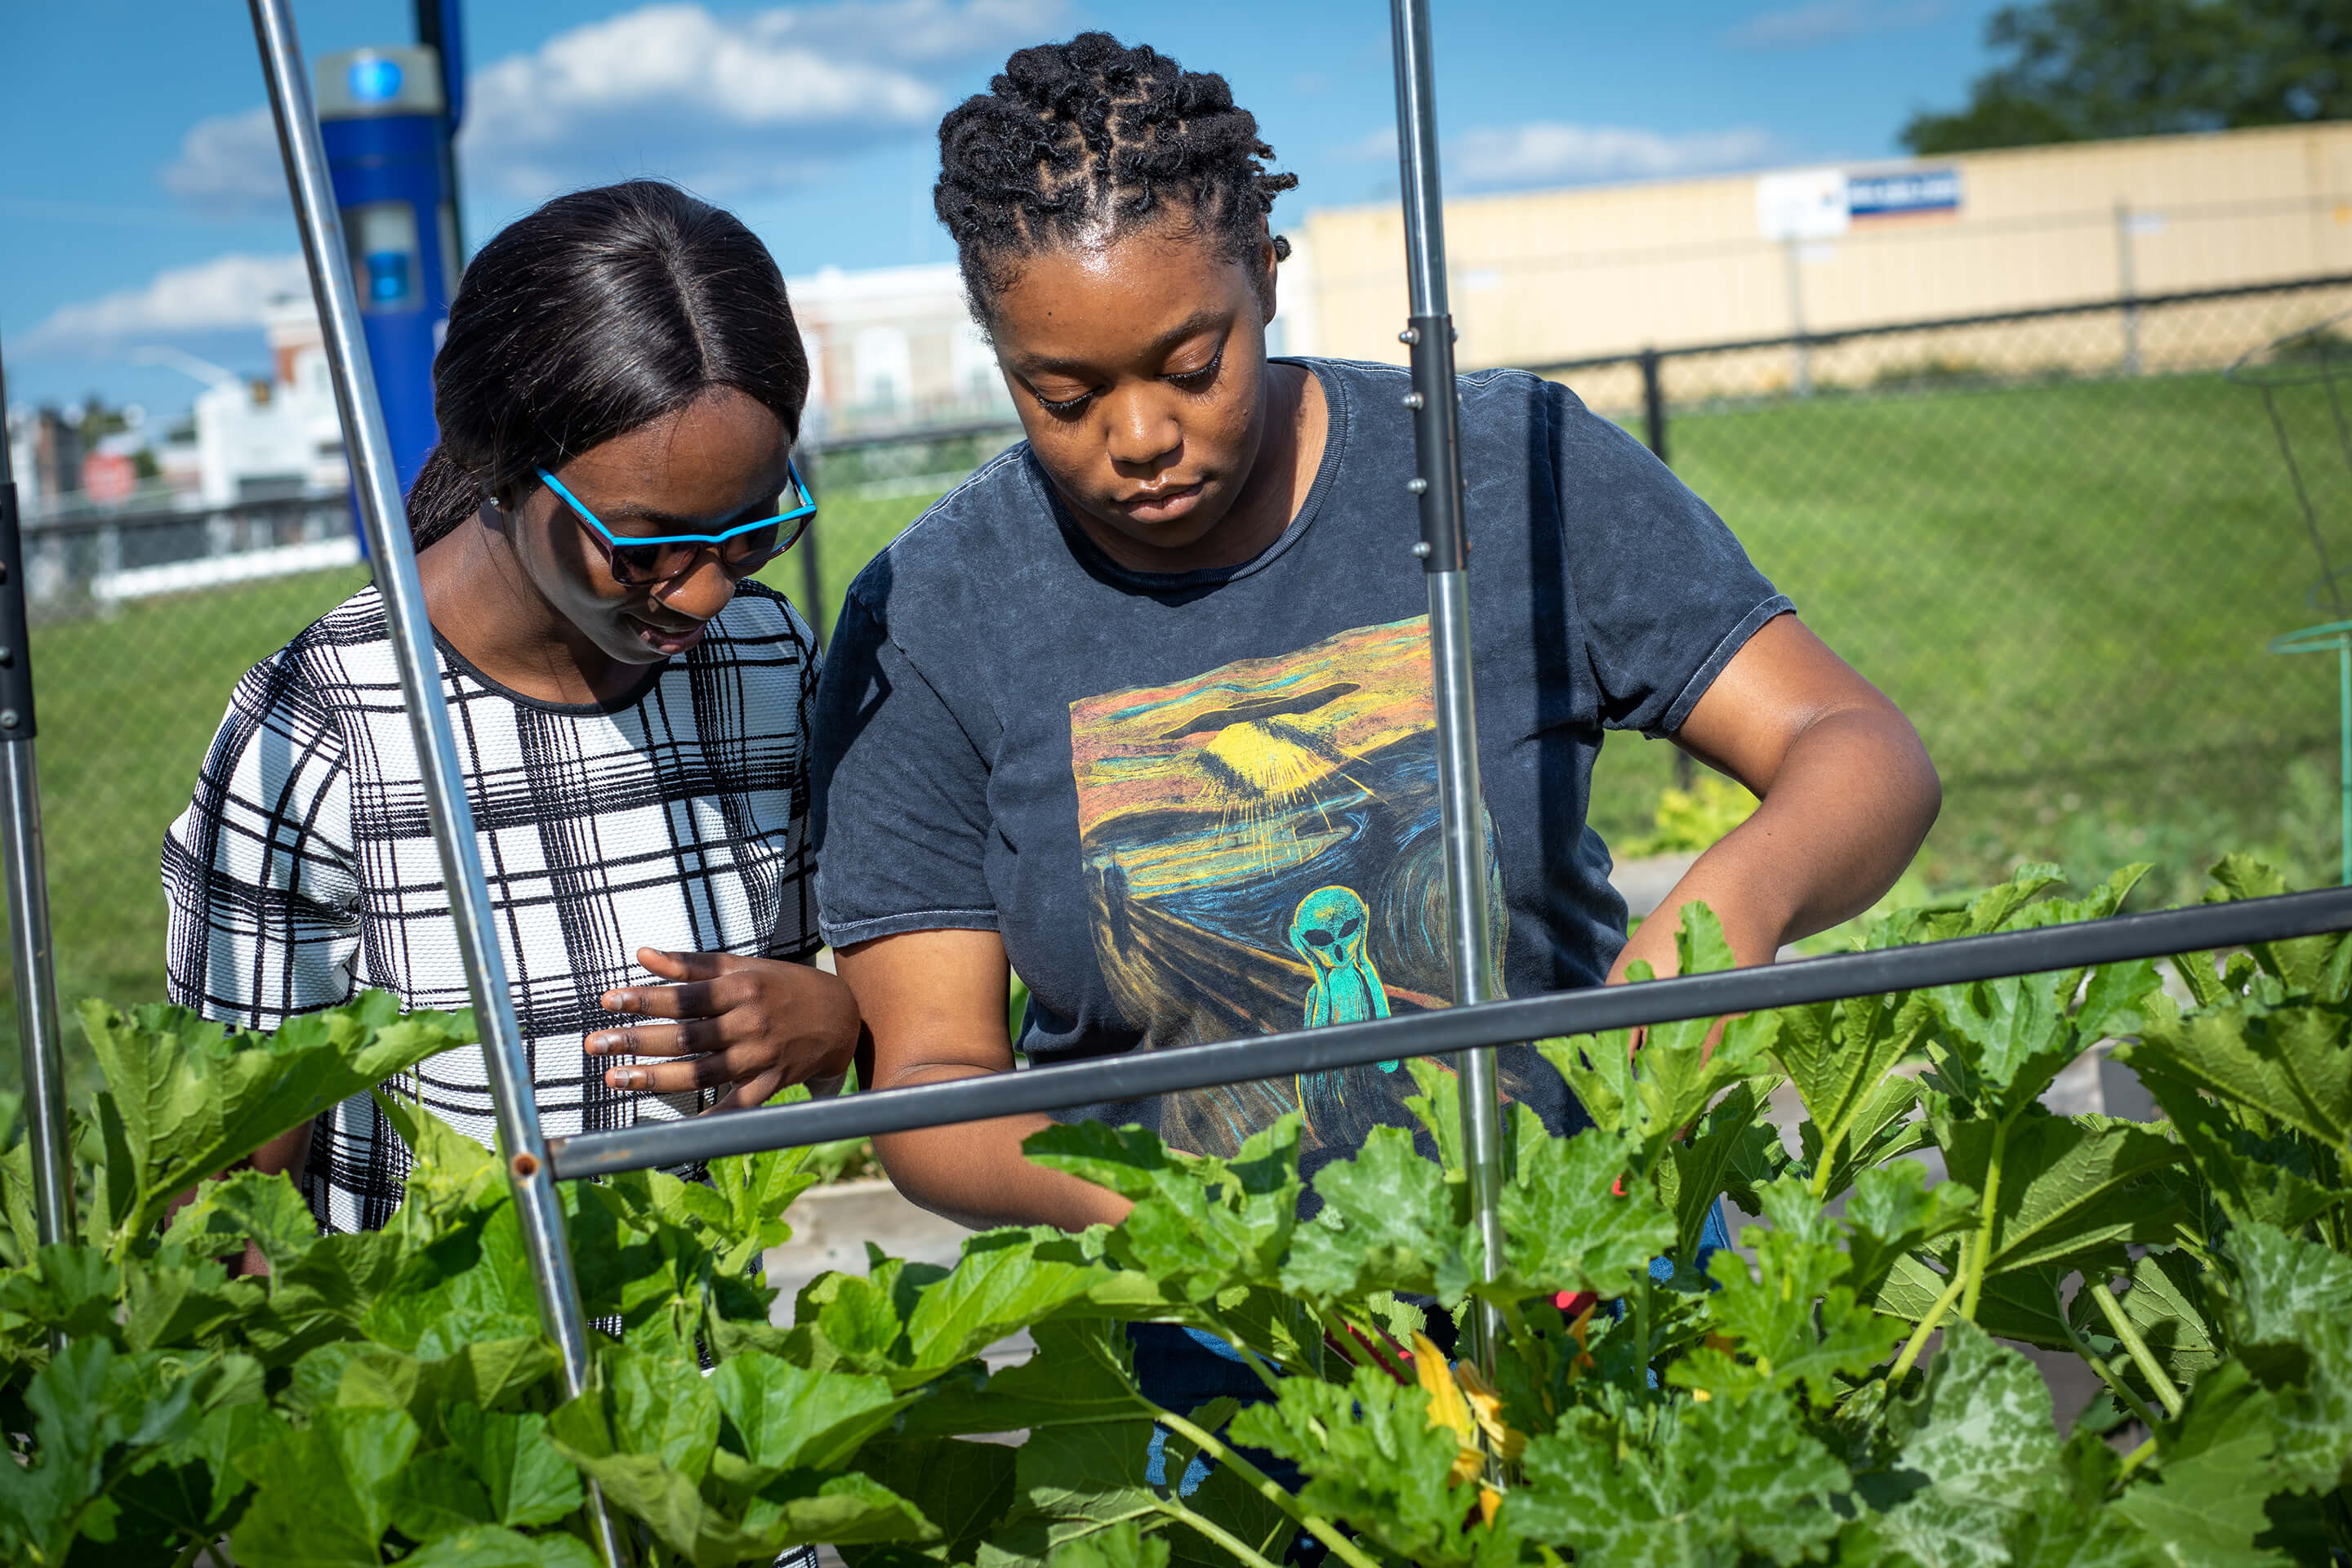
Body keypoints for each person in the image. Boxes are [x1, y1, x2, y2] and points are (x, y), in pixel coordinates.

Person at [811, 31, 1938, 1421]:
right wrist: (1200, 1235)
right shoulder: (933, 609)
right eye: (1068, 394)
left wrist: (1723, 917)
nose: (1142, 432)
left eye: (1190, 361)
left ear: (1267, 274)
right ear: (998, 354)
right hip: (1228, 1347)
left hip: (1591, 1264)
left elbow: (1856, 747)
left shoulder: (1498, 461)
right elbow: (932, 1086)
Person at [164, 180, 860, 1238]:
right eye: (642, 548)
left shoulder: (770, 659)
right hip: (428, 1384)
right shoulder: (321, 733)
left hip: (695, 1366)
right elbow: (223, 1194)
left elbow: (868, 976)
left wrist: (836, 1020)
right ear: (498, 471)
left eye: (755, 529)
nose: (709, 591)